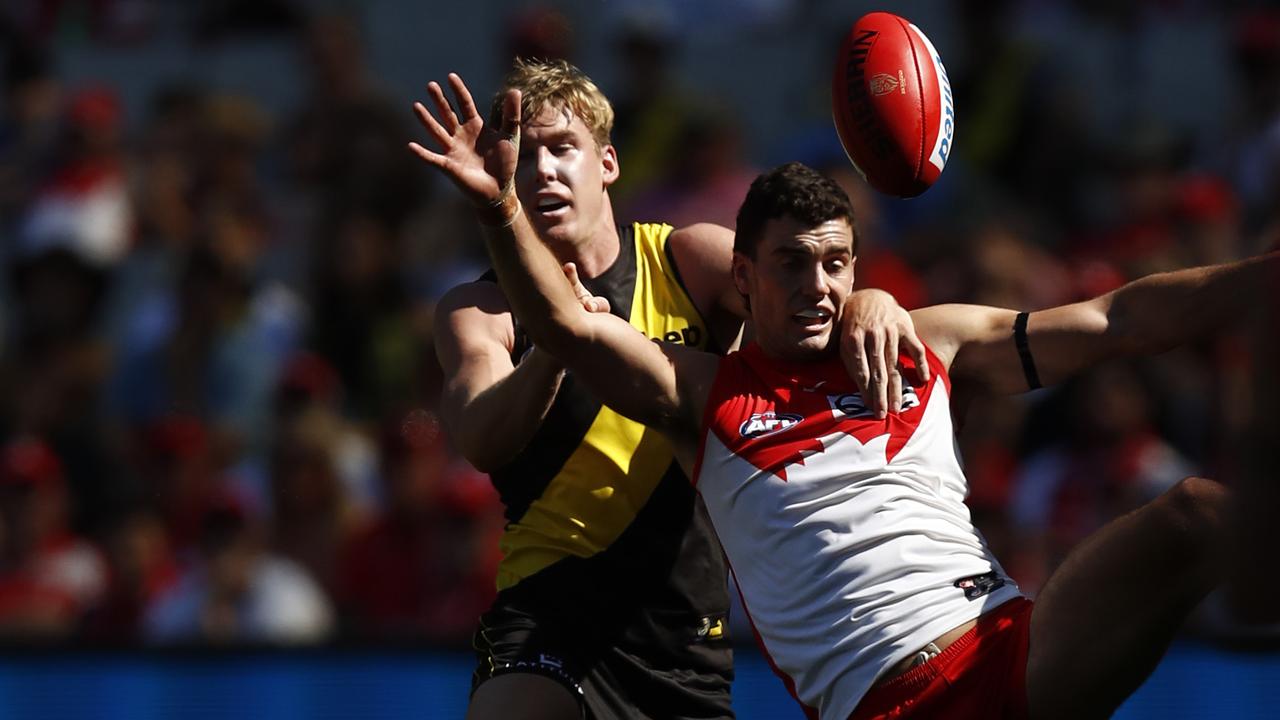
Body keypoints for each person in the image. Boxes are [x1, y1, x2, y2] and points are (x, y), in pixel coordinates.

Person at [412, 82, 1278, 719]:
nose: (819, 285)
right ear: (744, 281)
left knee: (1200, 514)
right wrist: (497, 207)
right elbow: (566, 327)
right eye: (791, 264)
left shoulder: (925, 343)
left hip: (1010, 654)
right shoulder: (702, 395)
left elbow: (1119, 317)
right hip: (882, 703)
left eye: (836, 263)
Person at [416, 63, 925, 720]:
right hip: (547, 612)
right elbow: (482, 438)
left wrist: (872, 300)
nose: (542, 170)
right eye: (525, 155)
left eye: (562, 148)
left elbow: (806, 306)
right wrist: (558, 344)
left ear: (607, 164)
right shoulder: (478, 307)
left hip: (683, 627)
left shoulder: (688, 259)